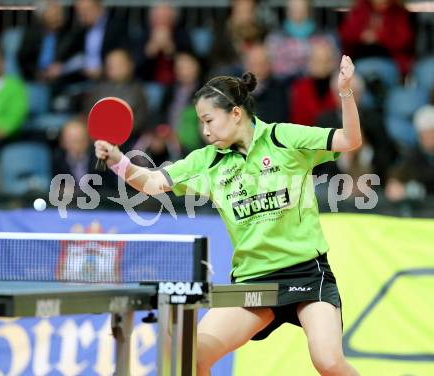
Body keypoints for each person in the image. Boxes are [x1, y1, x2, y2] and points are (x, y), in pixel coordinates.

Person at [94, 55, 361, 376]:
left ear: (236, 114)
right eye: (200, 122)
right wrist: (118, 160)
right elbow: (151, 182)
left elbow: (350, 140)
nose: (204, 131)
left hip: (307, 273)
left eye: (209, 120)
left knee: (328, 361)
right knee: (190, 356)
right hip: (253, 280)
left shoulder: (282, 138)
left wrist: (345, 91)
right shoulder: (207, 161)